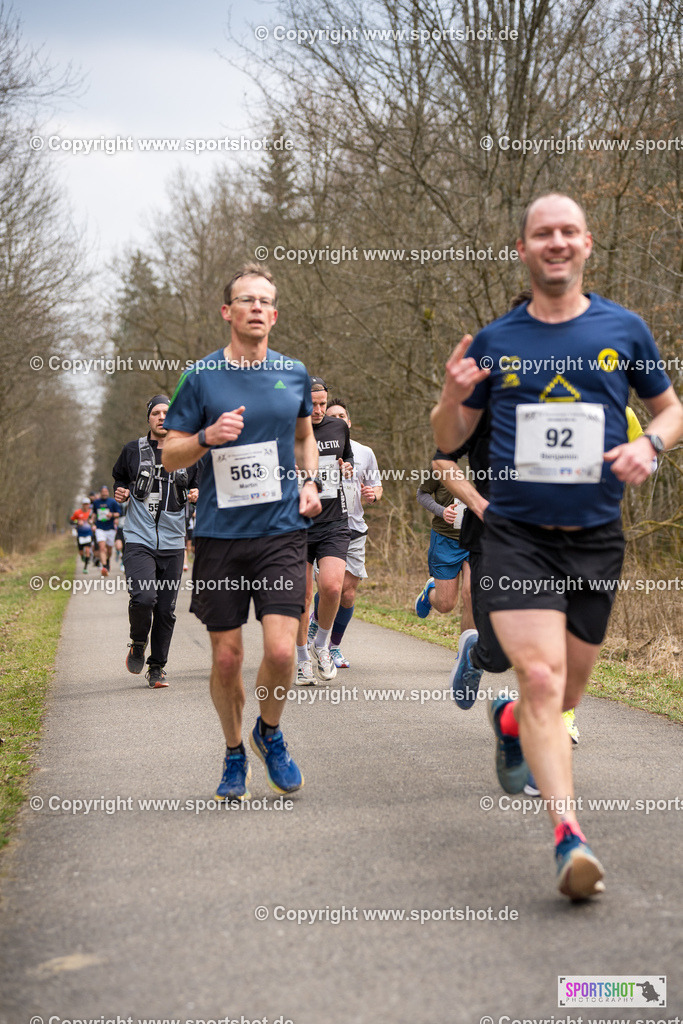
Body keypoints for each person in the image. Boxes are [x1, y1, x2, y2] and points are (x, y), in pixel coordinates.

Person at [432, 192, 683, 900]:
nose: (555, 242)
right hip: (515, 538)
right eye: (542, 233)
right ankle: (568, 838)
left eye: (567, 231)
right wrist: (450, 398)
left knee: (566, 691)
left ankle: (509, 723)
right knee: (539, 677)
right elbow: (447, 444)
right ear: (523, 247)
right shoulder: (493, 341)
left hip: (596, 539)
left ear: (586, 243)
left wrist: (650, 446)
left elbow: (668, 409)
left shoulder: (623, 329)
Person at [161, 262, 321, 800]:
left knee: (279, 652)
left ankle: (268, 733)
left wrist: (308, 481)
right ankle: (233, 752)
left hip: (281, 530)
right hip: (219, 535)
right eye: (245, 300)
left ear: (274, 315)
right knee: (227, 656)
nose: (256, 308)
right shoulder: (200, 376)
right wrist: (206, 435)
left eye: (264, 301)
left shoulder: (295, 373)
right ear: (227, 311)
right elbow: (168, 454)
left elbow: (304, 440)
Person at [113, 396, 200, 689]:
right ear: (149, 418)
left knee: (165, 609)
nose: (162, 417)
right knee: (144, 598)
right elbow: (120, 479)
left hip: (174, 541)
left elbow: (200, 483)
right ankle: (139, 641)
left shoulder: (189, 450)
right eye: (156, 413)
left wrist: (197, 493)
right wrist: (120, 491)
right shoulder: (132, 450)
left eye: (168, 412)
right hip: (139, 538)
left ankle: (157, 667)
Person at [307, 399, 383, 668]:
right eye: (332, 415)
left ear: (347, 422)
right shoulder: (312, 443)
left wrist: (373, 495)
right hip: (322, 526)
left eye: (342, 415)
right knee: (327, 587)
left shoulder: (365, 452)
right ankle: (316, 634)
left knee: (346, 593)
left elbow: (377, 486)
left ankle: (332, 645)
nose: (337, 419)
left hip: (354, 528)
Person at [295, 378, 353, 684]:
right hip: (298, 526)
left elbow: (349, 460)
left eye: (322, 404)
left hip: (334, 522)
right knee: (302, 597)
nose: (318, 410)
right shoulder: (288, 429)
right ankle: (302, 659)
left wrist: (347, 468)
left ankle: (322, 645)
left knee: (332, 588)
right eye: (312, 404)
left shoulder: (338, 427)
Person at [414, 465, 475, 632]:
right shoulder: (442, 463)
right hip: (446, 539)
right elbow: (422, 494)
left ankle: (467, 651)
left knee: (471, 595)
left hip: (477, 539)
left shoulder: (490, 458)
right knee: (446, 604)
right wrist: (442, 511)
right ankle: (430, 591)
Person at [91, 485, 121, 577]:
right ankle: (104, 567)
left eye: (106, 491)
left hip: (110, 528)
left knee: (109, 550)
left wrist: (111, 515)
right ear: (100, 493)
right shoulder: (96, 502)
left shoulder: (112, 502)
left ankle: (107, 561)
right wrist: (92, 522)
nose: (104, 493)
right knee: (102, 547)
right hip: (100, 528)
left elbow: (118, 513)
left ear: (108, 492)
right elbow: (94, 514)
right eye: (102, 491)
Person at [70, 499, 94, 572]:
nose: (86, 505)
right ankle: (82, 557)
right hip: (80, 534)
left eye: (87, 504)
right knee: (81, 552)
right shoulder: (77, 512)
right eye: (84, 504)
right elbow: (71, 521)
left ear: (89, 505)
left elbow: (95, 521)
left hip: (88, 534)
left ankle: (85, 568)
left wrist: (92, 523)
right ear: (82, 505)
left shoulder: (91, 513)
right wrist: (77, 522)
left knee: (87, 550)